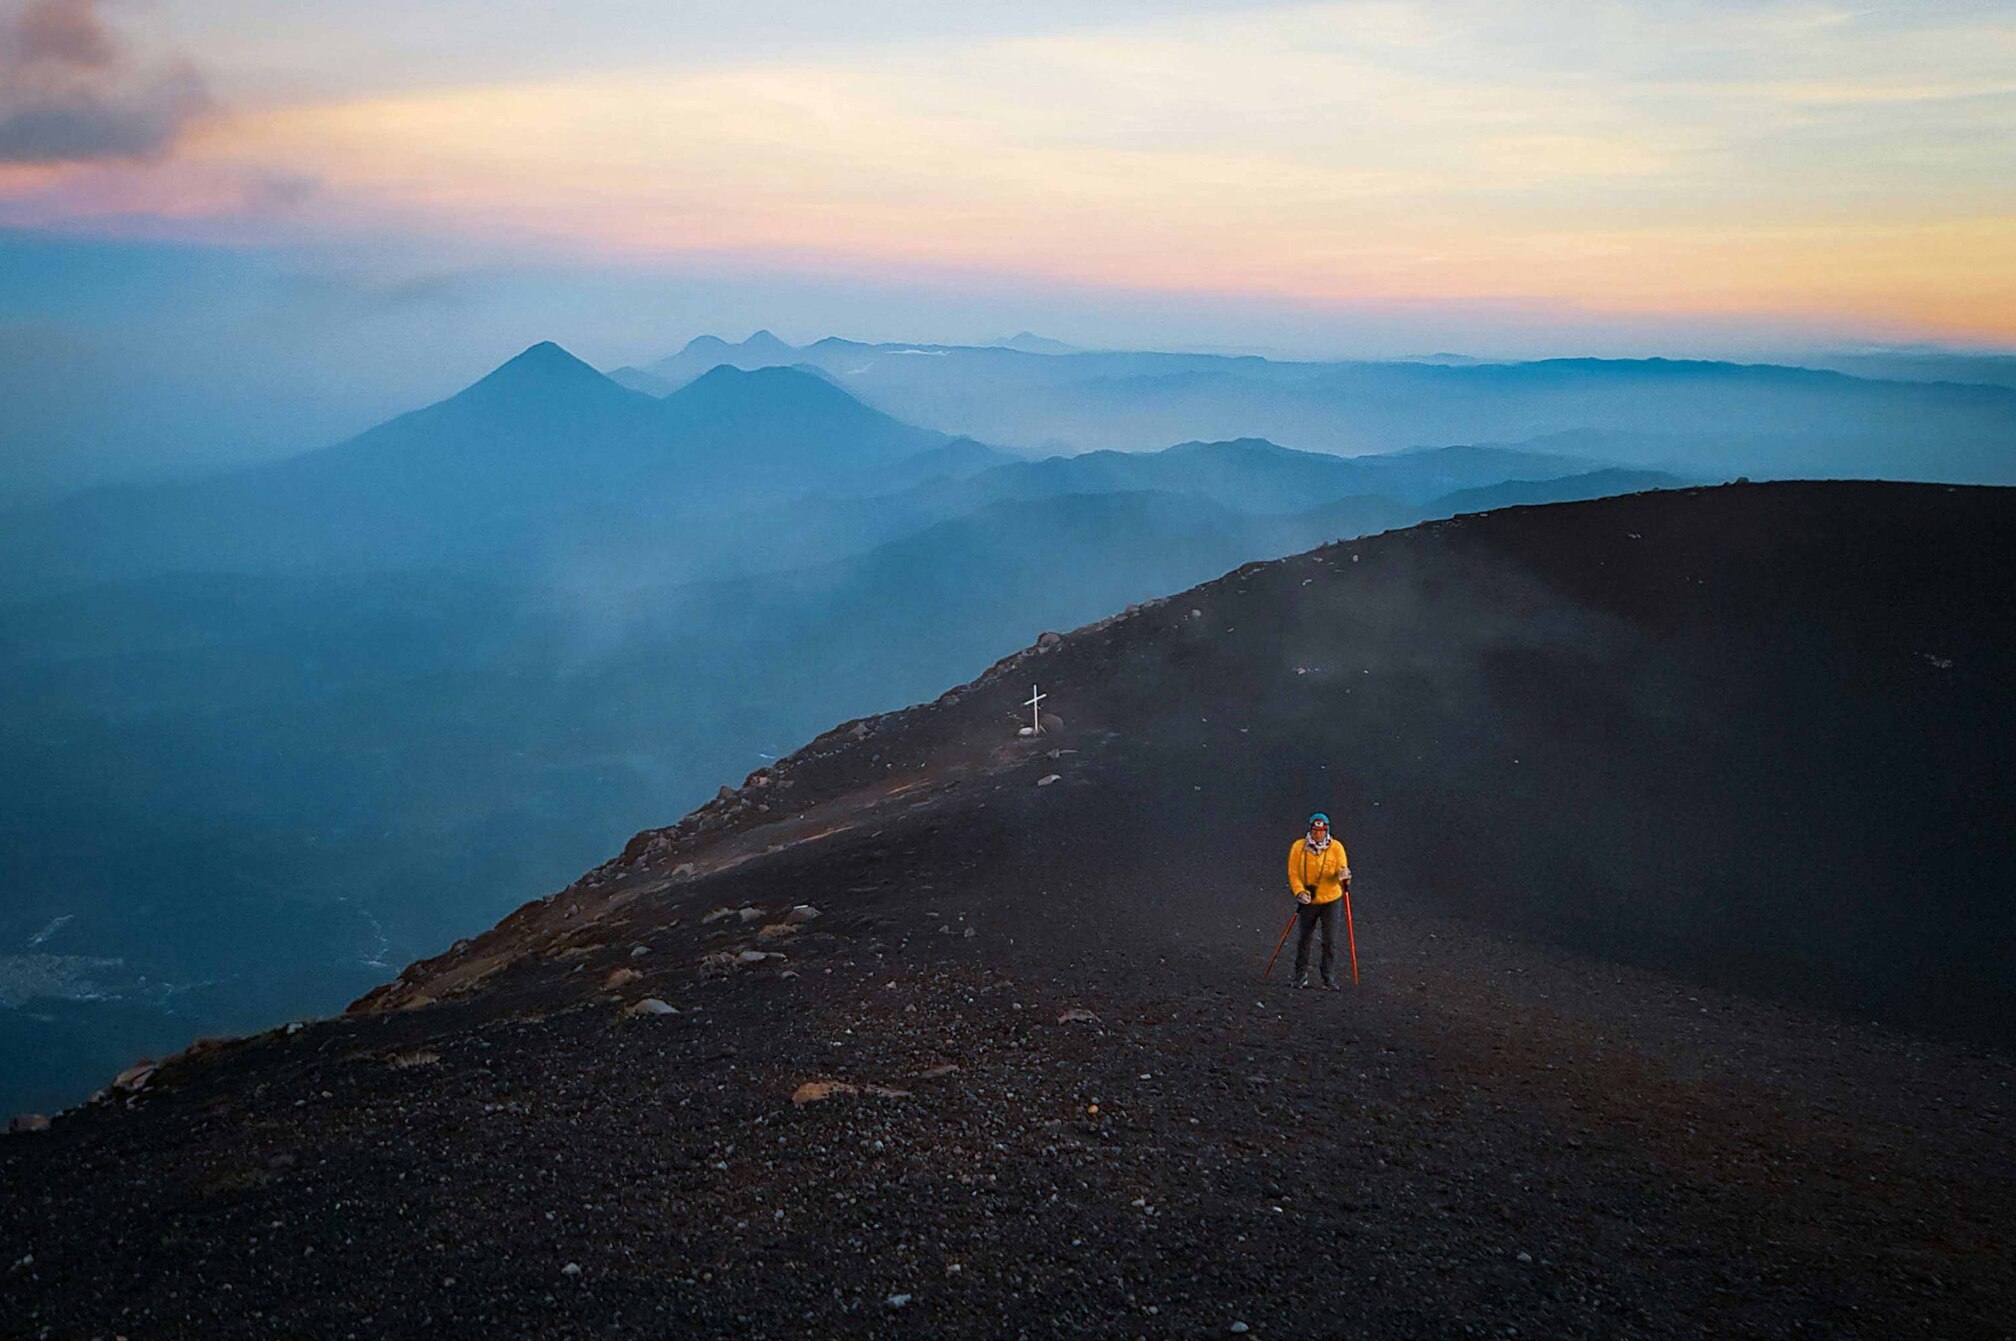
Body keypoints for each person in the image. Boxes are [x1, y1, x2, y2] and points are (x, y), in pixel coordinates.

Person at [1286, 812, 1350, 989]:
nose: (1318, 834)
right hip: (1308, 900)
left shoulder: (1336, 848)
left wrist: (1344, 877)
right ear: (1310, 830)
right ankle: (1300, 976)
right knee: (1305, 938)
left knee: (1330, 940)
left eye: (1321, 831)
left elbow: (1343, 872)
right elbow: (1294, 873)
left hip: (1331, 899)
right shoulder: (1298, 847)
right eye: (1315, 830)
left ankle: (1328, 977)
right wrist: (1299, 892)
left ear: (1327, 830)